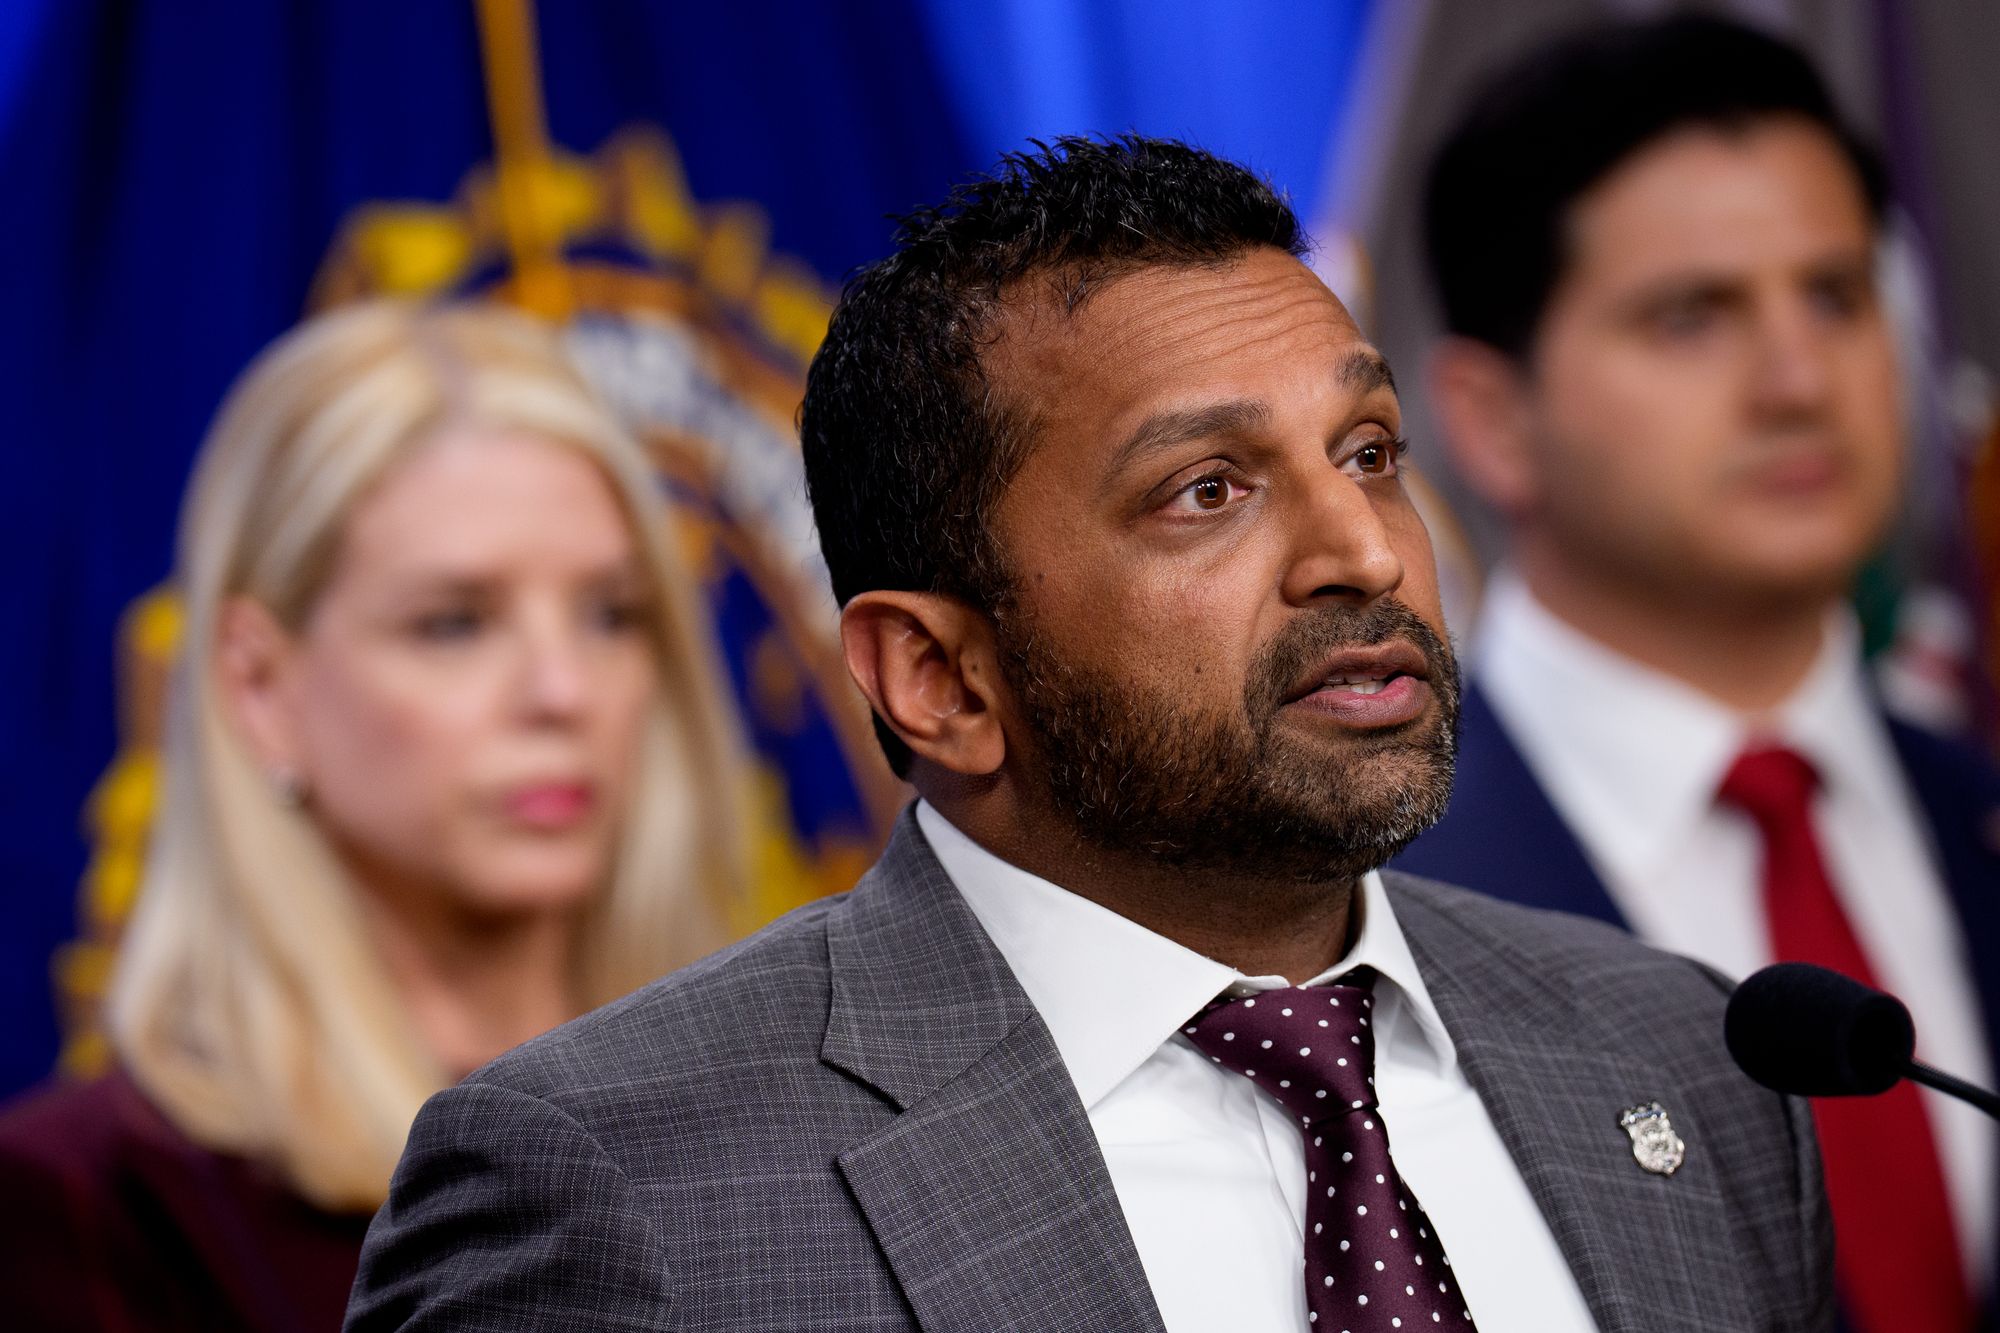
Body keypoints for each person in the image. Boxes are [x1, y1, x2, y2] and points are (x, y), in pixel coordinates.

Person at [347, 136, 1830, 1332]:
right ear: (939, 675)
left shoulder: (1689, 1057)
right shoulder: (626, 1189)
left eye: (1368, 453)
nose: (1364, 551)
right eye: (1207, 490)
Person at [1391, 16, 1998, 1333]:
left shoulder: (1979, 807)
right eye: (1693, 316)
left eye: (1837, 296)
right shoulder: (1348, 902)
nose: (1800, 379)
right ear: (1493, 422)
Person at [0, 299, 750, 1332]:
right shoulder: (80, 1208)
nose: (561, 689)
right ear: (260, 687)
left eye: (608, 613)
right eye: (455, 622)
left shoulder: (780, 1135)